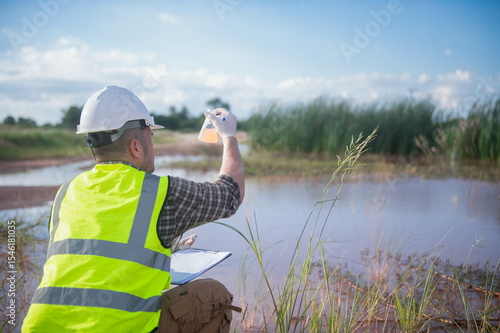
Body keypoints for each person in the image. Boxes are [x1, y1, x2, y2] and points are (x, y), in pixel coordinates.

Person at [22, 86, 245, 332]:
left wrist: (167, 248)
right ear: (136, 147)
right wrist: (229, 136)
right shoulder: (161, 191)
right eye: (151, 134)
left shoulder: (65, 192)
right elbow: (231, 193)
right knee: (215, 296)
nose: (153, 142)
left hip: (40, 327)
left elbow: (87, 256)